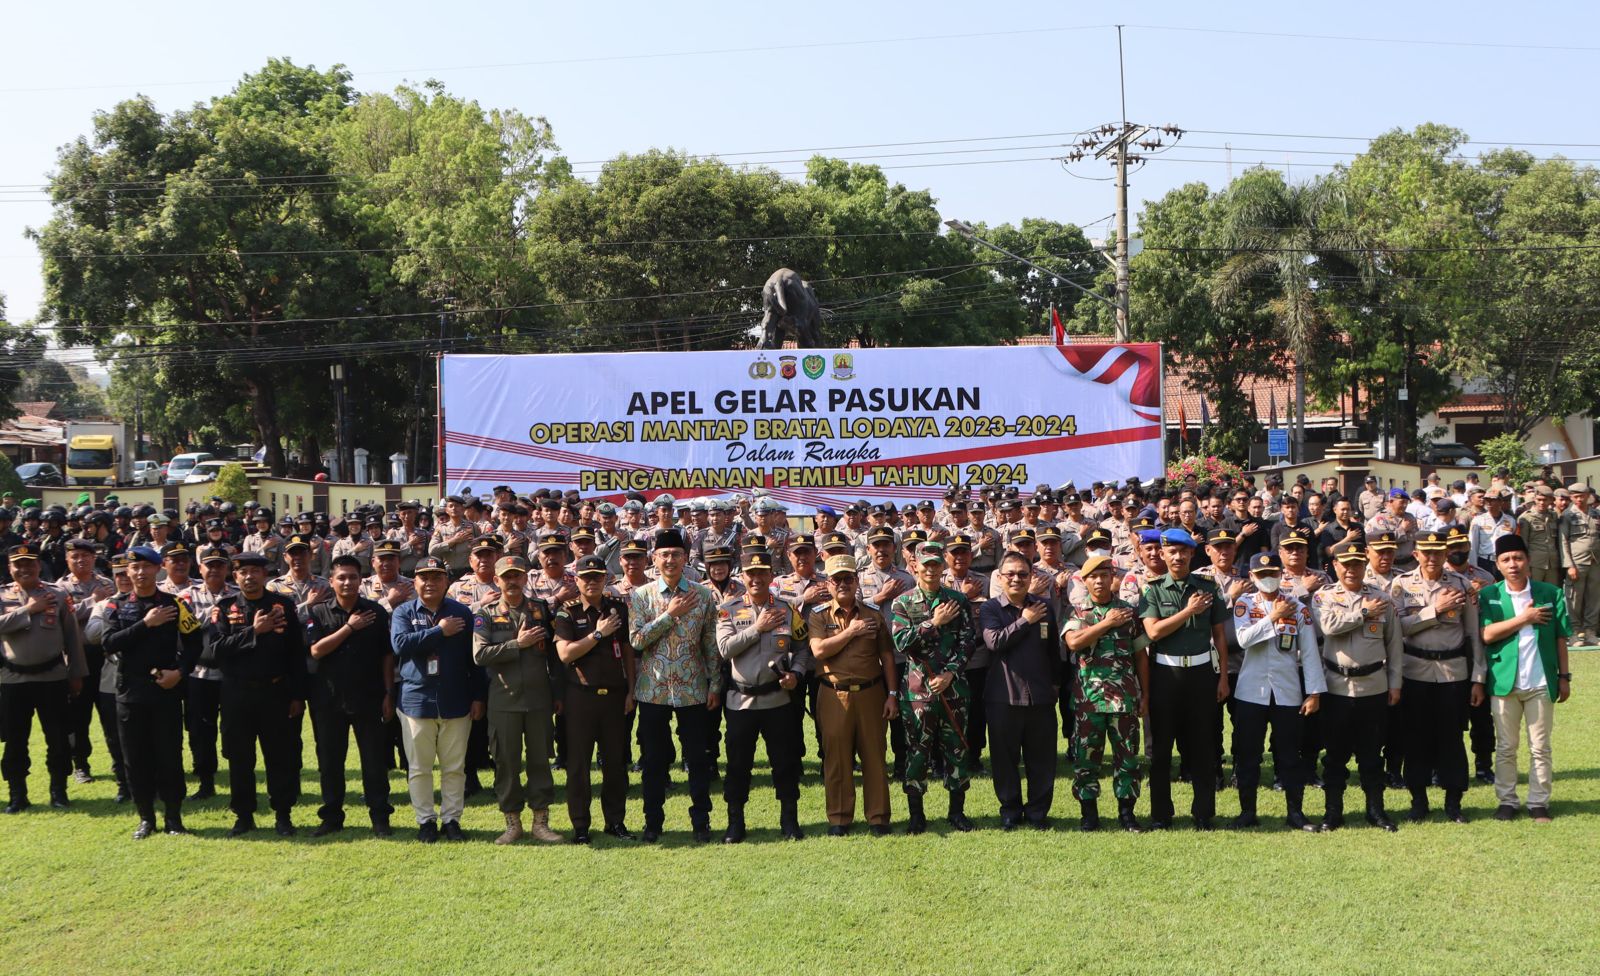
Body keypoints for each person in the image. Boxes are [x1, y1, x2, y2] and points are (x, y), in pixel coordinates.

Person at [98, 546, 204, 839]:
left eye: (146, 567)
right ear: (126, 572)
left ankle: (173, 818)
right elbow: (109, 643)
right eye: (134, 568)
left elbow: (195, 643)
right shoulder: (115, 606)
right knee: (135, 759)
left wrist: (181, 672)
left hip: (165, 691)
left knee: (169, 755)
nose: (140, 573)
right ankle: (146, 818)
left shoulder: (176, 604)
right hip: (130, 693)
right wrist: (146, 624)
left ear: (158, 569)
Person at [628, 528, 722, 843]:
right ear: (655, 559)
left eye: (676, 554)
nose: (670, 559)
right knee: (653, 760)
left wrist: (715, 685)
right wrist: (669, 615)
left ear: (685, 558)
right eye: (664, 554)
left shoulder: (703, 595)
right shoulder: (641, 595)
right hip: (652, 690)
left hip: (692, 689)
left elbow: (711, 645)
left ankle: (701, 822)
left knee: (697, 759)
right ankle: (652, 823)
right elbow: (637, 640)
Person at [207, 551, 308, 837]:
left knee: (280, 757)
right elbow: (216, 649)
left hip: (276, 692)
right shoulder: (224, 607)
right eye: (242, 572)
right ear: (234, 576)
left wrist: (298, 695)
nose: (248, 577)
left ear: (265, 575)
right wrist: (255, 631)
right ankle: (243, 815)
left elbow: (295, 655)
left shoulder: (283, 605)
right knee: (239, 758)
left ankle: (283, 815)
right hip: (237, 694)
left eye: (254, 571)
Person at [1389, 530, 1486, 824]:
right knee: (1415, 737)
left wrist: (1478, 677)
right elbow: (1398, 629)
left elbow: (1472, 635)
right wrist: (1435, 610)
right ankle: (1418, 800)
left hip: (1451, 673)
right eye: (1425, 552)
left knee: (1451, 738)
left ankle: (1453, 802)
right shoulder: (1401, 585)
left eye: (1438, 552)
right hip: (1414, 670)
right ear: (1415, 554)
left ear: (1446, 554)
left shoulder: (1462, 585)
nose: (1432, 558)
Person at [1138, 527, 1230, 830]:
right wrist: (1188, 610)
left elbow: (1219, 636)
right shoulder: (1152, 589)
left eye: (1183, 551)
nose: (1177, 557)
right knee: (1161, 749)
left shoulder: (1207, 585)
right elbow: (1153, 632)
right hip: (1166, 674)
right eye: (1171, 552)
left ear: (1192, 553)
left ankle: (1203, 813)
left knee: (1202, 747)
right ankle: (1161, 815)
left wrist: (1223, 678)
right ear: (1162, 555)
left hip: (1202, 674)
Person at [1478, 534, 1573, 823]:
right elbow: (1487, 634)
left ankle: (1538, 802)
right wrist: (1524, 618)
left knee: (1540, 746)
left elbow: (1560, 639)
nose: (1513, 564)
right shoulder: (1489, 595)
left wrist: (1564, 676)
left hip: (1541, 681)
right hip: (1504, 681)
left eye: (1518, 558)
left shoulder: (1550, 592)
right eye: (1506, 560)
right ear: (1497, 564)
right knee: (1506, 746)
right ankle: (1506, 801)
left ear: (1528, 560)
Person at [390, 556, 486, 843]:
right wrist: (439, 631)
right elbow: (400, 645)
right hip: (416, 701)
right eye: (424, 577)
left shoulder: (462, 612)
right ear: (415, 581)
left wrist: (479, 697)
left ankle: (452, 819)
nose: (430, 582)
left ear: (447, 581)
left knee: (454, 767)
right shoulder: (404, 612)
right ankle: (425, 821)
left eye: (436, 577)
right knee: (419, 768)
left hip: (456, 699)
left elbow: (475, 660)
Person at [713, 549, 806, 842]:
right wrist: (758, 628)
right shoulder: (728, 609)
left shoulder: (788, 608)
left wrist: (797, 674)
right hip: (741, 703)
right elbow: (725, 649)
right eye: (750, 573)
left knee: (785, 762)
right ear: (742, 576)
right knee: (738, 765)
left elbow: (803, 650)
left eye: (762, 573)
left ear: (770, 576)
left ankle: (789, 820)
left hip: (777, 700)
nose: (756, 578)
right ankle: (735, 822)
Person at [471, 554, 564, 844]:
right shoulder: (485, 614)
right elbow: (480, 655)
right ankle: (512, 822)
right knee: (507, 762)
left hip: (538, 699)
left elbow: (554, 655)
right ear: (496, 580)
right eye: (506, 576)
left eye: (517, 575)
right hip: (504, 700)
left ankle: (541, 822)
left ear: (526, 578)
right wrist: (517, 644)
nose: (512, 581)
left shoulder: (540, 609)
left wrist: (557, 693)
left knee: (540, 761)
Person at [1313, 540, 1404, 832]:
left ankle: (1376, 811)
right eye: (1345, 564)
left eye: (1357, 564)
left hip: (1373, 686)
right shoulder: (1324, 596)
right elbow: (1328, 627)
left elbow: (1394, 644)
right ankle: (1332, 813)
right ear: (1335, 567)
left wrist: (1395, 683)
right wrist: (1363, 613)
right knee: (1335, 755)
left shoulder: (1382, 598)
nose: (1351, 570)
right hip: (1336, 687)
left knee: (1371, 754)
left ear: (1365, 565)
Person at [1229, 553, 1323, 832]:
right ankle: (1248, 812)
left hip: (1287, 691)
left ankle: (1296, 813)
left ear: (1281, 574)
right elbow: (1244, 640)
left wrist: (1315, 693)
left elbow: (1308, 652)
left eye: (1272, 573)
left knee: (1289, 755)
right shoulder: (1244, 604)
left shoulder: (1297, 607)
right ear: (1252, 577)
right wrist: (1273, 617)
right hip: (1251, 692)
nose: (1267, 579)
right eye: (1261, 574)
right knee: (1248, 754)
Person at [806, 554, 897, 836]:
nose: (843, 584)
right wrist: (852, 632)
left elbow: (887, 656)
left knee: (874, 756)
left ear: (857, 581)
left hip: (871, 693)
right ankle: (839, 818)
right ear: (828, 583)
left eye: (848, 578)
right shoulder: (818, 614)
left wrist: (892, 693)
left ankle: (878, 817)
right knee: (837, 759)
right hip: (834, 695)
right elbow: (819, 651)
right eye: (837, 579)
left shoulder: (873, 613)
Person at [306, 553, 396, 837]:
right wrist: (349, 627)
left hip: (368, 697)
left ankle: (380, 817)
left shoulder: (376, 612)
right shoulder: (318, 612)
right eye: (341, 577)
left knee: (374, 762)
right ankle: (332, 817)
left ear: (361, 580)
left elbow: (386, 656)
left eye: (353, 577)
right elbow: (316, 650)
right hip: (327, 699)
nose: (347, 582)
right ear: (331, 581)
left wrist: (389, 694)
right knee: (330, 762)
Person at [890, 541, 976, 834]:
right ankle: (917, 814)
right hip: (918, 692)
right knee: (917, 751)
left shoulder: (957, 600)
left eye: (936, 564)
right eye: (925, 563)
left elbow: (968, 642)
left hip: (953, 690)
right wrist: (933, 622)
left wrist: (951, 673)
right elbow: (902, 643)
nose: (930, 569)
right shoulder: (902, 603)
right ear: (914, 566)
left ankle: (957, 812)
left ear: (943, 566)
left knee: (957, 749)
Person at [553, 554, 636, 843]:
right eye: (586, 577)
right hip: (580, 697)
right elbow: (565, 654)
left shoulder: (617, 608)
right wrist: (598, 635)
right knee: (578, 766)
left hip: (614, 696)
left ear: (605, 579)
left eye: (597, 577)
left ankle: (615, 822)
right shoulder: (567, 612)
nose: (592, 582)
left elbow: (626, 651)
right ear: (576, 580)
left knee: (615, 764)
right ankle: (580, 826)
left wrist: (631, 690)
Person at [0, 543, 88, 812]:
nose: (24, 568)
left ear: (39, 566)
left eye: (30, 563)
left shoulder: (58, 595)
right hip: (12, 680)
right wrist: (29, 609)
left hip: (52, 678)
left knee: (58, 738)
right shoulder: (2, 595)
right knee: (15, 741)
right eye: (18, 564)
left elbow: (73, 638)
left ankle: (58, 791)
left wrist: (76, 673)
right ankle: (17, 794)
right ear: (10, 568)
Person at [978, 551, 1062, 830]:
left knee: (1042, 760)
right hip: (1003, 696)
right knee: (1005, 760)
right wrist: (1025, 620)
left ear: (1031, 577)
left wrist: (1055, 685)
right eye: (1010, 574)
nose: (1016, 579)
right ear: (1000, 578)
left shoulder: (1045, 606)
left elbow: (1053, 652)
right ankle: (1010, 811)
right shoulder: (990, 608)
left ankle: (1038, 813)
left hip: (1040, 697)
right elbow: (995, 642)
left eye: (1022, 574)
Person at [1063, 553, 1147, 832]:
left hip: (1124, 699)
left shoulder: (1129, 612)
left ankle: (1127, 814)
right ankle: (1089, 815)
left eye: (1105, 575)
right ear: (1084, 581)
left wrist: (1144, 693)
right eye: (1093, 577)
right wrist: (1107, 623)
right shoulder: (1078, 611)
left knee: (1128, 759)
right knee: (1087, 759)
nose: (1099, 581)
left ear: (1114, 578)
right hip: (1090, 700)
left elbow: (1141, 656)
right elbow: (1074, 643)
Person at [1557, 485, 1600, 645]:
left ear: (1588, 495)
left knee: (1594, 598)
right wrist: (1569, 565)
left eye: (1582, 495)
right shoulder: (1567, 515)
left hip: (1596, 561)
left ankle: (1590, 632)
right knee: (1573, 598)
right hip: (1577, 562)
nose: (1579, 499)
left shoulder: (1596, 514)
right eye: (1575, 496)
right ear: (1571, 497)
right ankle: (1574, 632)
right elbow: (1563, 541)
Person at [1517, 486, 1562, 586]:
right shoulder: (1526, 518)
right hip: (1534, 564)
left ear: (1551, 500)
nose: (1542, 503)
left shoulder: (1554, 516)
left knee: (1552, 593)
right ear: (1534, 499)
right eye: (1539, 500)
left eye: (1545, 500)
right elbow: (1523, 544)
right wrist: (1525, 567)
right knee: (1535, 592)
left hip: (1552, 563)